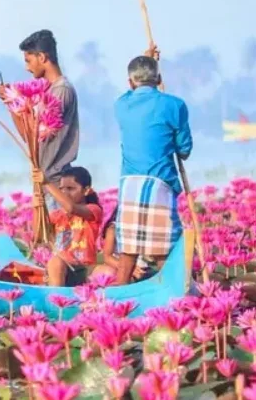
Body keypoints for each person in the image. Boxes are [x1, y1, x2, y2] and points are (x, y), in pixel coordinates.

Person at [112, 50, 193, 285]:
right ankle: (175, 289)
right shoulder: (175, 105)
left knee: (128, 249)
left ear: (130, 82)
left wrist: (146, 59)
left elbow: (133, 92)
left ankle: (120, 292)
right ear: (158, 80)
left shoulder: (121, 105)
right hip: (161, 183)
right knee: (163, 249)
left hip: (129, 184)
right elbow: (184, 150)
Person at [0, 29, 79, 211]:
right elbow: (29, 137)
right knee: (45, 240)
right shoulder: (46, 91)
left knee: (58, 240)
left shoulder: (61, 90)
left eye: (28, 60)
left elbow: (35, 133)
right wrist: (11, 102)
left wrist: (17, 102)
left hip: (56, 182)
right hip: (43, 181)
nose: (27, 68)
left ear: (42, 57)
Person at [32, 166, 102, 286]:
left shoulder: (93, 210)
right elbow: (38, 234)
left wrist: (47, 183)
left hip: (85, 269)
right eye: (61, 189)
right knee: (55, 262)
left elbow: (71, 207)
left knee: (107, 272)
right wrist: (36, 208)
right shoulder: (57, 215)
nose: (64, 193)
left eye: (70, 188)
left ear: (86, 190)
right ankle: (57, 300)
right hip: (62, 269)